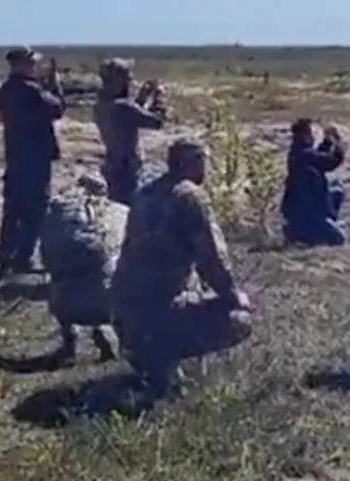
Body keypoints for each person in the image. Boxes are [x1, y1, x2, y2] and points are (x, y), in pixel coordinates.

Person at [111, 138, 254, 399]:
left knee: (181, 290)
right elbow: (212, 262)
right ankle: (164, 359)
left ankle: (154, 363)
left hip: (123, 315)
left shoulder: (143, 195)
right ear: (193, 163)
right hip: (157, 316)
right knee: (239, 318)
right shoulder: (189, 197)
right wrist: (235, 297)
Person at [0, 47, 67, 278]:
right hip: (35, 158)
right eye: (32, 64)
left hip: (15, 156)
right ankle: (23, 259)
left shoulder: (4, 91)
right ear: (23, 64)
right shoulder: (32, 91)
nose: (35, 67)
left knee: (12, 212)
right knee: (35, 211)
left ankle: (6, 260)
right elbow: (57, 108)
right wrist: (55, 85)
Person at [40, 174, 124, 364]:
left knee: (63, 278)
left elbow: (46, 260)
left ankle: (70, 346)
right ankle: (118, 344)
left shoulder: (56, 218)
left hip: (64, 305)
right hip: (107, 306)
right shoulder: (117, 214)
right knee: (112, 272)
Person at [93, 58, 166, 205]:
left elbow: (130, 117)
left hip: (113, 164)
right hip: (128, 169)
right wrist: (159, 97)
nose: (130, 81)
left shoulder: (100, 105)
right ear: (119, 81)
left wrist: (141, 98)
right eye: (127, 78)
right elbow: (157, 121)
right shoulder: (124, 107)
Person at [282, 118, 350, 246]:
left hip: (297, 212)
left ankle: (297, 231)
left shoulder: (297, 153)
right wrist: (338, 142)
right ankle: (309, 233)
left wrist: (328, 142)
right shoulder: (306, 155)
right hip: (312, 216)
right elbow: (332, 161)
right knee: (341, 239)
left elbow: (318, 157)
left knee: (337, 190)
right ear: (306, 135)